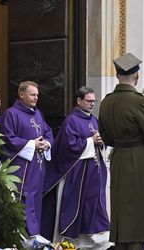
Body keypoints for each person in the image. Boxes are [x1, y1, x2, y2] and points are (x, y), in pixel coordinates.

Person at [98, 53, 144, 250]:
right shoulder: (140, 102)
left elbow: (106, 137)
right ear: (136, 76)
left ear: (117, 75)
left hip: (119, 159)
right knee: (139, 217)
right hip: (141, 161)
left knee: (123, 216)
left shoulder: (106, 102)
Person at [41, 86, 111, 249]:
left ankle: (96, 239)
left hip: (95, 172)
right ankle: (74, 241)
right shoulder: (71, 120)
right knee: (79, 205)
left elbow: (100, 140)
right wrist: (90, 141)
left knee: (95, 204)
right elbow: (67, 147)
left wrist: (101, 142)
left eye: (94, 101)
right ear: (79, 101)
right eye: (88, 101)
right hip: (78, 173)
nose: (92, 104)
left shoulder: (94, 120)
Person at [0, 81, 54, 240]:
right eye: (32, 94)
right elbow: (7, 138)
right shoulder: (11, 114)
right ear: (21, 95)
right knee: (24, 199)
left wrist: (46, 143)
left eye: (37, 95)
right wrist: (32, 144)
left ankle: (35, 234)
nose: (36, 98)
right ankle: (23, 237)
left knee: (36, 199)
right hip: (21, 168)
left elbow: (48, 131)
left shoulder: (38, 114)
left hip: (37, 166)